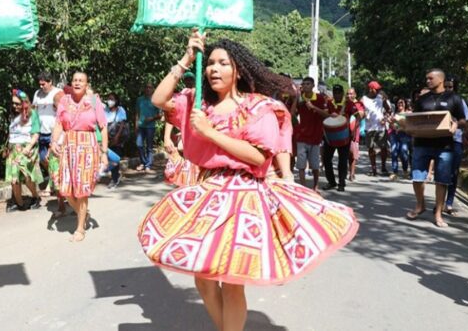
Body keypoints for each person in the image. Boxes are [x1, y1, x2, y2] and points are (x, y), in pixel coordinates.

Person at [139, 32, 358, 331]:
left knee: (231, 283)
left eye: (222, 63)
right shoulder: (198, 103)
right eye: (210, 64)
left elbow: (258, 157)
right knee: (202, 279)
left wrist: (211, 133)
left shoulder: (258, 107)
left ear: (237, 70)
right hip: (207, 192)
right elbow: (158, 99)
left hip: (243, 196)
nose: (213, 69)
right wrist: (187, 57)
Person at [51, 72, 109, 242]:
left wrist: (104, 152)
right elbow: (59, 123)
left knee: (82, 190)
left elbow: (103, 126)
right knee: (65, 188)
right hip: (68, 146)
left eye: (81, 81)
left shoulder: (93, 100)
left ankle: (79, 228)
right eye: (75, 80)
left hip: (87, 147)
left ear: (86, 84)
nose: (77, 83)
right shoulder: (64, 100)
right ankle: (82, 213)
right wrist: (54, 140)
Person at [405, 69, 466, 228]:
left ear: (440, 79)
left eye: (430, 78)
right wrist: (407, 128)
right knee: (417, 178)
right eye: (426, 79)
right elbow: (414, 119)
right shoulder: (422, 100)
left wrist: (456, 125)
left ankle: (438, 213)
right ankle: (420, 205)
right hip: (421, 144)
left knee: (442, 180)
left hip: (444, 146)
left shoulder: (454, 98)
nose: (427, 81)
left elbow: (462, 120)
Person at [4, 89, 43, 211]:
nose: (15, 106)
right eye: (13, 103)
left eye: (17, 104)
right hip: (13, 147)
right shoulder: (13, 114)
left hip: (27, 147)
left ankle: (36, 197)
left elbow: (36, 133)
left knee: (27, 177)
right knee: (14, 177)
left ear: (25, 103)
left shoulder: (33, 114)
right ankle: (19, 203)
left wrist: (29, 147)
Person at [443, 76, 468, 214]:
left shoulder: (460, 101)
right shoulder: (437, 100)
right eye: (445, 86)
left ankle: (449, 202)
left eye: (450, 86)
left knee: (453, 173)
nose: (447, 89)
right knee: (442, 173)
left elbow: (466, 122)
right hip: (440, 141)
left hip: (456, 141)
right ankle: (440, 202)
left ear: (455, 87)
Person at [322, 84, 361, 192]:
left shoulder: (348, 104)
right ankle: (331, 182)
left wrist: (353, 130)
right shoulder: (329, 103)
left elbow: (358, 116)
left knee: (342, 161)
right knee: (326, 159)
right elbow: (324, 116)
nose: (337, 95)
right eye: (335, 93)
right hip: (330, 136)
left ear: (342, 93)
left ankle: (341, 183)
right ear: (333, 93)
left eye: (339, 93)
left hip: (344, 136)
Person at [163, 73, 200, 187]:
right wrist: (166, 137)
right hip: (186, 138)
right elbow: (170, 113)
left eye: (191, 80)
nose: (189, 82)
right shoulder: (181, 95)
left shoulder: (202, 95)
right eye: (186, 80)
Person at [294, 76, 329, 190]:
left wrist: (313, 107)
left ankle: (315, 187)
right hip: (302, 136)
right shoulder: (300, 98)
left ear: (313, 86)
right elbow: (293, 113)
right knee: (301, 165)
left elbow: (326, 115)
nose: (305, 86)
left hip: (315, 136)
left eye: (308, 84)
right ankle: (303, 187)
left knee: (314, 165)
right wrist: (297, 97)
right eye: (304, 84)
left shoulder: (319, 98)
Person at [32, 71, 64, 196]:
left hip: (54, 133)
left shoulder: (58, 93)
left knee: (51, 159)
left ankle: (51, 186)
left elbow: (63, 112)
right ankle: (54, 180)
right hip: (41, 131)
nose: (41, 86)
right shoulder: (37, 94)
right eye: (39, 84)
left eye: (43, 84)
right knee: (43, 159)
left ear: (50, 82)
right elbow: (34, 111)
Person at [361, 80, 391, 176]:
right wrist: (363, 114)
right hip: (369, 127)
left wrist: (385, 118)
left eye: (379, 89)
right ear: (370, 89)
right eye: (376, 89)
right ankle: (373, 168)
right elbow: (358, 110)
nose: (378, 90)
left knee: (383, 148)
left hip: (381, 127)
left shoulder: (381, 98)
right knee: (371, 148)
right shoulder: (363, 99)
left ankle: (383, 167)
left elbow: (388, 110)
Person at [135, 83, 162, 173]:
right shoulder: (139, 100)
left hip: (150, 126)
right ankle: (143, 162)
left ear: (153, 89)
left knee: (149, 147)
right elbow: (137, 113)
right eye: (146, 87)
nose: (148, 89)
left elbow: (160, 115)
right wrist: (136, 125)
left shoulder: (155, 100)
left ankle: (147, 166)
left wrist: (152, 118)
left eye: (150, 87)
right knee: (139, 144)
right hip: (141, 126)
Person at [105, 92, 129, 188]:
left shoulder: (120, 110)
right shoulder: (105, 109)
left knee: (114, 157)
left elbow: (122, 124)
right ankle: (115, 175)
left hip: (117, 138)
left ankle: (114, 179)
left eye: (112, 99)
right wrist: (93, 96)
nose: (109, 101)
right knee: (108, 157)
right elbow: (93, 106)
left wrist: (117, 137)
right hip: (107, 137)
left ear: (116, 101)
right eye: (108, 99)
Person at [388, 98, 412, 180]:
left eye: (402, 102)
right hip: (394, 134)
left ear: (405, 104)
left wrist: (400, 125)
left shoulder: (408, 113)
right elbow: (391, 126)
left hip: (404, 134)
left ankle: (405, 170)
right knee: (394, 151)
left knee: (403, 151)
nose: (400, 104)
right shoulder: (394, 114)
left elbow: (409, 125)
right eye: (398, 103)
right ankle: (395, 172)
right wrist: (391, 123)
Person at [346, 88, 363, 182]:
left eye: (351, 94)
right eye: (348, 94)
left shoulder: (358, 104)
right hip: (344, 133)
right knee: (347, 154)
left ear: (355, 94)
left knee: (353, 154)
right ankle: (348, 171)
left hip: (354, 132)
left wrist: (353, 131)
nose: (349, 96)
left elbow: (359, 118)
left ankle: (352, 173)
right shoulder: (344, 104)